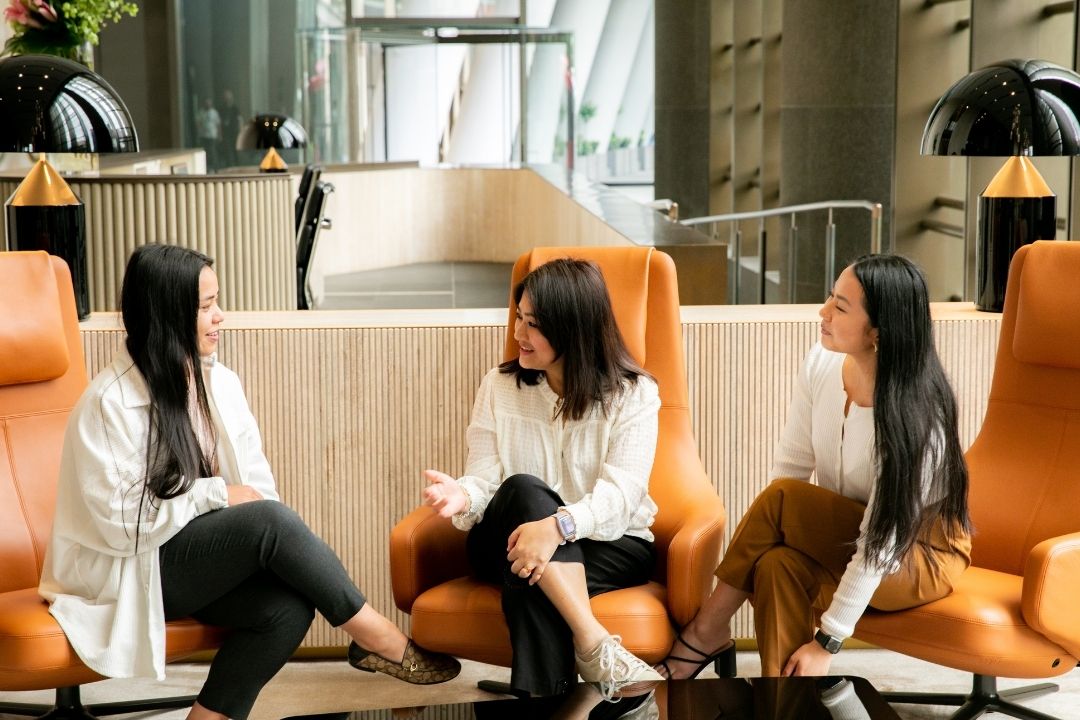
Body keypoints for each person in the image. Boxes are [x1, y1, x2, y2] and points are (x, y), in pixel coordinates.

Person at [39, 244, 460, 720]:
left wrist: (265, 548)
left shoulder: (221, 383)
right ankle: (377, 637)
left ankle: (210, 717)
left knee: (286, 607)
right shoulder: (108, 403)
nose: (221, 317)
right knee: (271, 522)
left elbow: (258, 488)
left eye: (218, 301)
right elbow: (123, 524)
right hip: (129, 565)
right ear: (167, 313)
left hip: (192, 561)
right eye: (205, 307)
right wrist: (218, 495)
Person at [656, 253, 972, 679]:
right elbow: (793, 466)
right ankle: (786, 701)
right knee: (775, 564)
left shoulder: (918, 418)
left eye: (840, 307)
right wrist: (771, 542)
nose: (823, 312)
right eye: (829, 297)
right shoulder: (823, 363)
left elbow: (880, 545)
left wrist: (828, 641)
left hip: (918, 555)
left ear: (879, 331)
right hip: (851, 532)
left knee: (782, 500)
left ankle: (707, 629)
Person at [422, 258, 664, 700]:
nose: (518, 334)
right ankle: (594, 643)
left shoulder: (634, 394)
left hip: (610, 543)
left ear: (574, 328)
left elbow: (621, 496)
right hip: (506, 533)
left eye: (533, 324)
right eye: (518, 317)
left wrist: (556, 528)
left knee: (528, 574)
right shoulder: (499, 386)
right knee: (523, 490)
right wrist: (463, 495)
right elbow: (486, 481)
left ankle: (547, 705)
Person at [195, 97, 221, 170]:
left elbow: (218, 124)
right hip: (203, 136)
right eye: (206, 103)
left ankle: (215, 167)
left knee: (212, 152)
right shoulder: (201, 112)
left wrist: (220, 135)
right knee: (204, 152)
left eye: (209, 103)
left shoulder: (214, 112)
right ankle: (206, 167)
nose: (207, 104)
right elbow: (198, 123)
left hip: (212, 135)